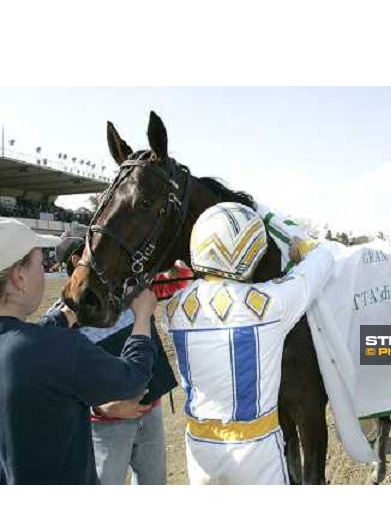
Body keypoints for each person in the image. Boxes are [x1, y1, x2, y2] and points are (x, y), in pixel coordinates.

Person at [164, 202, 334, 485]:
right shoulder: (271, 304)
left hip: (199, 449)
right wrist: (302, 250)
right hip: (256, 449)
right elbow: (324, 260)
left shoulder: (174, 309)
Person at [0, 218, 157, 485]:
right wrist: (143, 316)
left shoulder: (29, 346)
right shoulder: (55, 348)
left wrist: (65, 315)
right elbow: (133, 377)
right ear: (19, 277)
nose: (45, 271)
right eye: (40, 264)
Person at [52, 224, 179, 485]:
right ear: (78, 260)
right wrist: (102, 407)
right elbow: (56, 385)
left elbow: (175, 278)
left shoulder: (128, 291)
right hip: (106, 425)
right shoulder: (61, 320)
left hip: (151, 413)